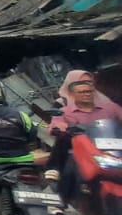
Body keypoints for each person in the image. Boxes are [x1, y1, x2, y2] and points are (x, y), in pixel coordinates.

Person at [48, 71, 122, 201]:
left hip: (110, 151)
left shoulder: (111, 108)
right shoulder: (65, 111)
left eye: (89, 91)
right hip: (81, 151)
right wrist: (60, 127)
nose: (87, 94)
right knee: (70, 168)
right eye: (82, 92)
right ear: (72, 94)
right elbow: (56, 124)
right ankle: (60, 201)